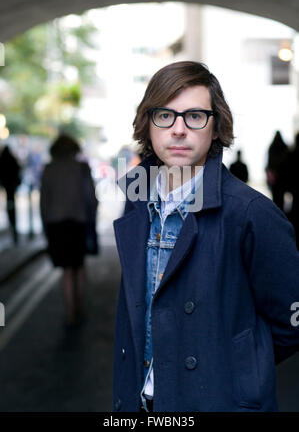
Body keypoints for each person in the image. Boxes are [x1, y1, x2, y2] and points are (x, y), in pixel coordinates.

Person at [112, 61, 299, 412]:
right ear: (148, 125)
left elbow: (290, 320)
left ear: (216, 128)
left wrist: (237, 366)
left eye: (195, 116)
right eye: (165, 116)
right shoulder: (136, 203)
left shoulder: (249, 212)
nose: (179, 129)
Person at [40, 134, 98, 327]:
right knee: (79, 267)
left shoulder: (49, 169)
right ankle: (79, 307)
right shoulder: (81, 168)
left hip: (56, 224)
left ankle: (70, 312)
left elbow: (44, 202)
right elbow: (91, 198)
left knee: (66, 270)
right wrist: (92, 220)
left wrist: (45, 226)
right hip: (78, 222)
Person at [0, 145, 21, 244]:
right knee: (11, 204)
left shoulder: (3, 160)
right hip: (11, 187)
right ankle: (13, 224)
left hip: (8, 186)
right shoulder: (12, 159)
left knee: (10, 205)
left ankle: (12, 222)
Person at [266, 131, 289, 211]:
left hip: (274, 179)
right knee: (281, 197)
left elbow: (269, 164)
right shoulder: (285, 148)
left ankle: (276, 212)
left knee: (275, 197)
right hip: (282, 178)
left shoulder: (271, 148)